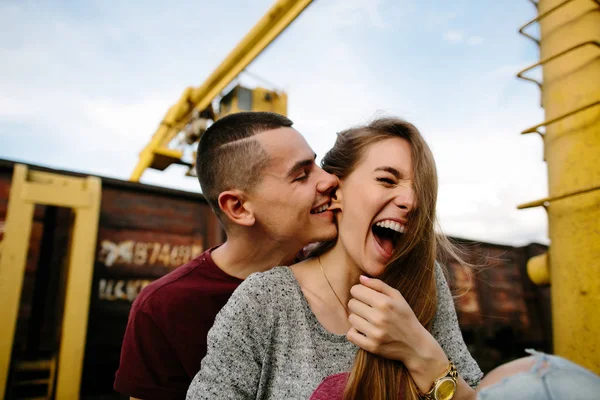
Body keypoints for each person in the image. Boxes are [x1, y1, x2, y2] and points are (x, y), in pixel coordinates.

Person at [187, 117, 483, 400]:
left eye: (421, 189)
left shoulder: (425, 280)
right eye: (387, 180)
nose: (412, 201)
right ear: (335, 190)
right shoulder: (264, 299)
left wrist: (419, 351)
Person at [114, 112, 339, 399]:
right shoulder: (163, 309)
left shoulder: (339, 275)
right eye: (302, 175)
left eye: (318, 165)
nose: (330, 180)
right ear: (238, 207)